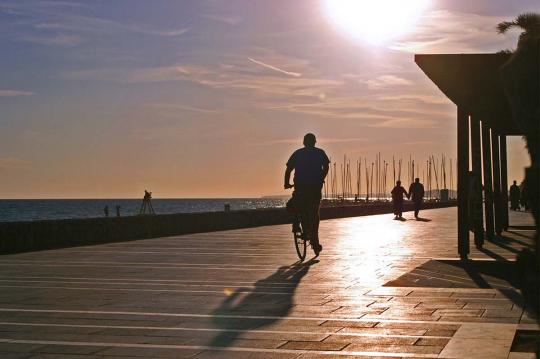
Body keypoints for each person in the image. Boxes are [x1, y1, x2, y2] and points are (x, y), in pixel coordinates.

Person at [284, 133, 330, 256]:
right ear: (315, 142)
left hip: (301, 187)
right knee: (314, 213)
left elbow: (288, 169)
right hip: (315, 187)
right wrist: (321, 177)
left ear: (304, 142)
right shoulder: (320, 153)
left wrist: (286, 184)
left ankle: (296, 223)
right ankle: (314, 240)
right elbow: (326, 166)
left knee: (296, 205)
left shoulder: (298, 153)